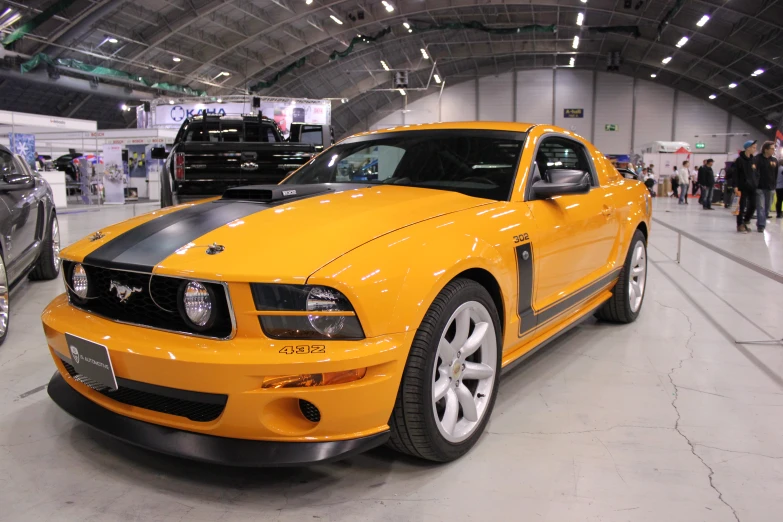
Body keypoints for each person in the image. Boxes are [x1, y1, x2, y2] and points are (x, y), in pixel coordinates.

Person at [735, 140, 758, 233]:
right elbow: (736, 174)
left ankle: (745, 221)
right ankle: (740, 224)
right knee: (742, 206)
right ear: (748, 148)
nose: (755, 149)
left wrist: (756, 182)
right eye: (753, 147)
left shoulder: (753, 160)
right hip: (743, 186)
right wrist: (735, 186)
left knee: (753, 205)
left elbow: (756, 173)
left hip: (753, 186)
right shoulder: (740, 160)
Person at [755, 141, 777, 232]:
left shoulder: (774, 160)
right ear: (766, 149)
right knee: (761, 207)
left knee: (767, 208)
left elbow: (775, 174)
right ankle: (761, 225)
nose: (773, 150)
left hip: (770, 188)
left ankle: (760, 221)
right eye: (772, 148)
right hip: (759, 187)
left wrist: (774, 186)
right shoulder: (757, 159)